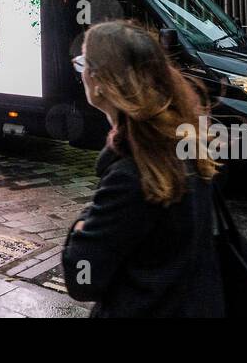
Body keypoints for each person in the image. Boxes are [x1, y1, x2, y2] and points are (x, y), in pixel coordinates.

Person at [62, 20, 225, 317]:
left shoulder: (129, 176)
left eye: (83, 62)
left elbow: (83, 280)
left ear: (100, 81)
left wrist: (80, 225)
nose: (81, 71)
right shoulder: (183, 145)